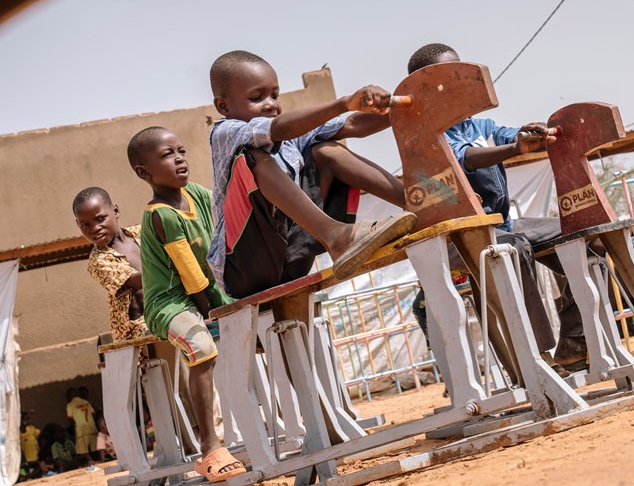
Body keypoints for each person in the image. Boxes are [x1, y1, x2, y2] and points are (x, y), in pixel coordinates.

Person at [405, 43, 588, 370]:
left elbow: (507, 135)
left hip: (503, 224)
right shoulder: (429, 137)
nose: (460, 83)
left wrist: (527, 135)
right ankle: (538, 359)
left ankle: (575, 341)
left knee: (583, 229)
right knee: (514, 249)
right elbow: (464, 158)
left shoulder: (480, 128)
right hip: (462, 238)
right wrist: (514, 148)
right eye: (449, 77)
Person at [206, 50, 416, 298]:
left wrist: (401, 105)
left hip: (291, 257)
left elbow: (353, 125)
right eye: (257, 97)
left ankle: (417, 202)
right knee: (253, 158)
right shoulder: (225, 132)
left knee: (324, 150)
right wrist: (342, 103)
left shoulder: (292, 133)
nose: (271, 104)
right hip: (244, 269)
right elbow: (277, 129)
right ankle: (336, 235)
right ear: (223, 105)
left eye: (274, 95)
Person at [127, 125, 245, 482]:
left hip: (210, 290)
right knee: (201, 345)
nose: (179, 158)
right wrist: (215, 311)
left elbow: (224, 234)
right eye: (167, 154)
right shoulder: (160, 214)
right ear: (144, 172)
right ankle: (210, 446)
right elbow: (191, 276)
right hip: (171, 303)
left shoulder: (197, 193)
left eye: (181, 150)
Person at [74, 186, 149, 342]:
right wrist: (175, 266)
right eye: (85, 225)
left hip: (166, 309)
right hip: (137, 329)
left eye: (100, 219)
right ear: (78, 225)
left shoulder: (143, 233)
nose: (95, 228)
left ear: (115, 211)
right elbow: (139, 281)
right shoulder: (99, 261)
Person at [65, 386, 99, 463]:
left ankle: (91, 461)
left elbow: (70, 418)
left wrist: (74, 427)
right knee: (94, 447)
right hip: (91, 427)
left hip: (81, 429)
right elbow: (93, 414)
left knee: (83, 449)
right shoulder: (85, 402)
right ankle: (98, 461)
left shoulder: (70, 405)